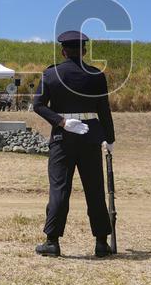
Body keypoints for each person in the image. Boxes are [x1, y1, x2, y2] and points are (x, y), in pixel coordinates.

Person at [32, 31, 115, 258]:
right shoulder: (96, 75)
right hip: (90, 135)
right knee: (95, 189)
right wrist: (110, 138)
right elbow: (104, 109)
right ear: (84, 51)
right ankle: (101, 242)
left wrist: (61, 122)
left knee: (59, 188)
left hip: (63, 136)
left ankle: (52, 241)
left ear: (63, 51)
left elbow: (38, 105)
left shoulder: (51, 74)